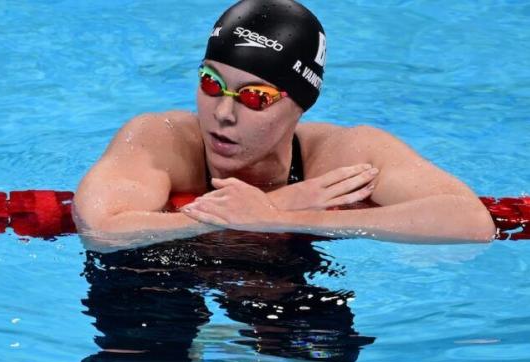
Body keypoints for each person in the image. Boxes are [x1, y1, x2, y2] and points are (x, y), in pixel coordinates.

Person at [73, 0, 496, 252]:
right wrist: (269, 208)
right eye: (211, 83)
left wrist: (277, 218)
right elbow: (101, 230)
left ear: (300, 104)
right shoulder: (158, 139)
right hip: (160, 269)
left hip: (283, 272)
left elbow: (471, 223)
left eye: (255, 97)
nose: (223, 112)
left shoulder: (344, 154)